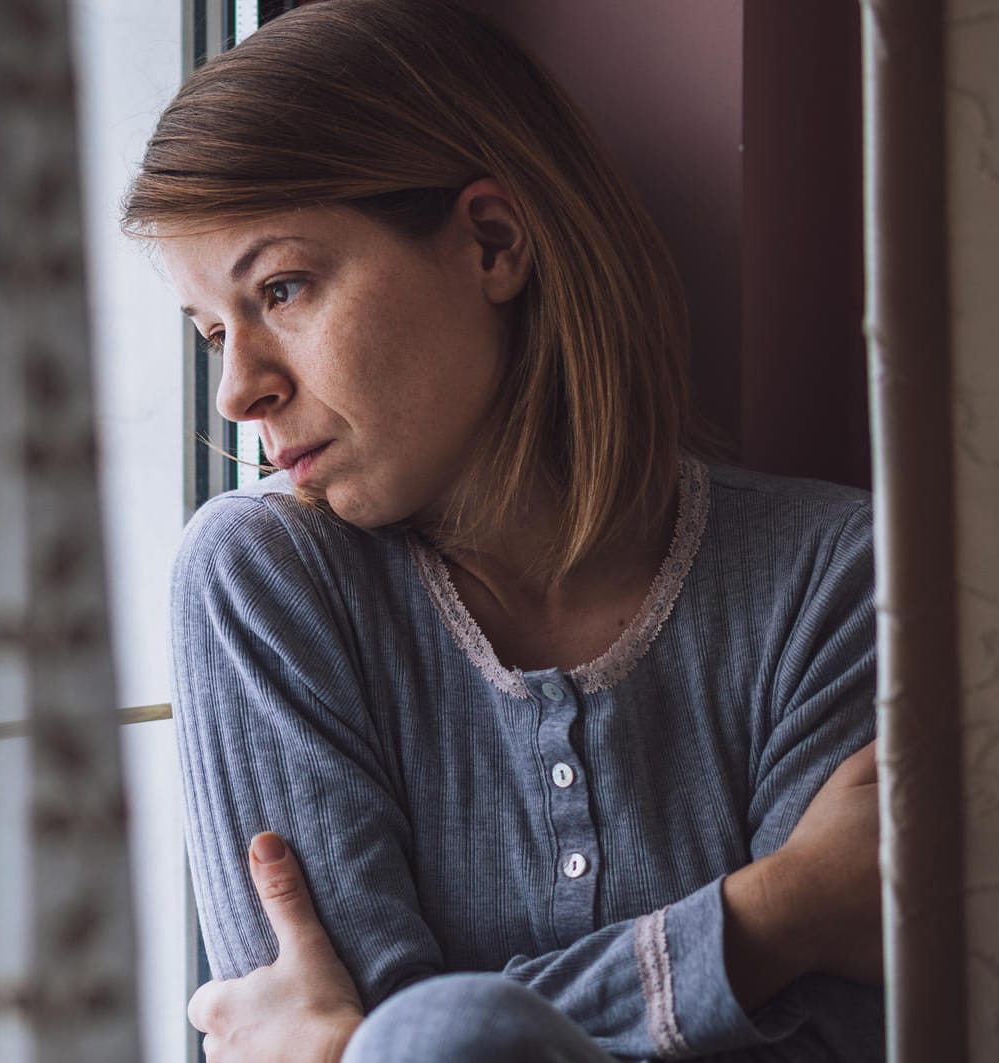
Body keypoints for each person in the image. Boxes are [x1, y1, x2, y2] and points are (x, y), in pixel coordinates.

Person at [121, 1, 884, 1060]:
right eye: (211, 332)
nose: (236, 392)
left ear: (490, 242)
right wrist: (774, 913)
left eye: (280, 289)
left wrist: (372, 1041)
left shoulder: (837, 580)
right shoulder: (262, 581)